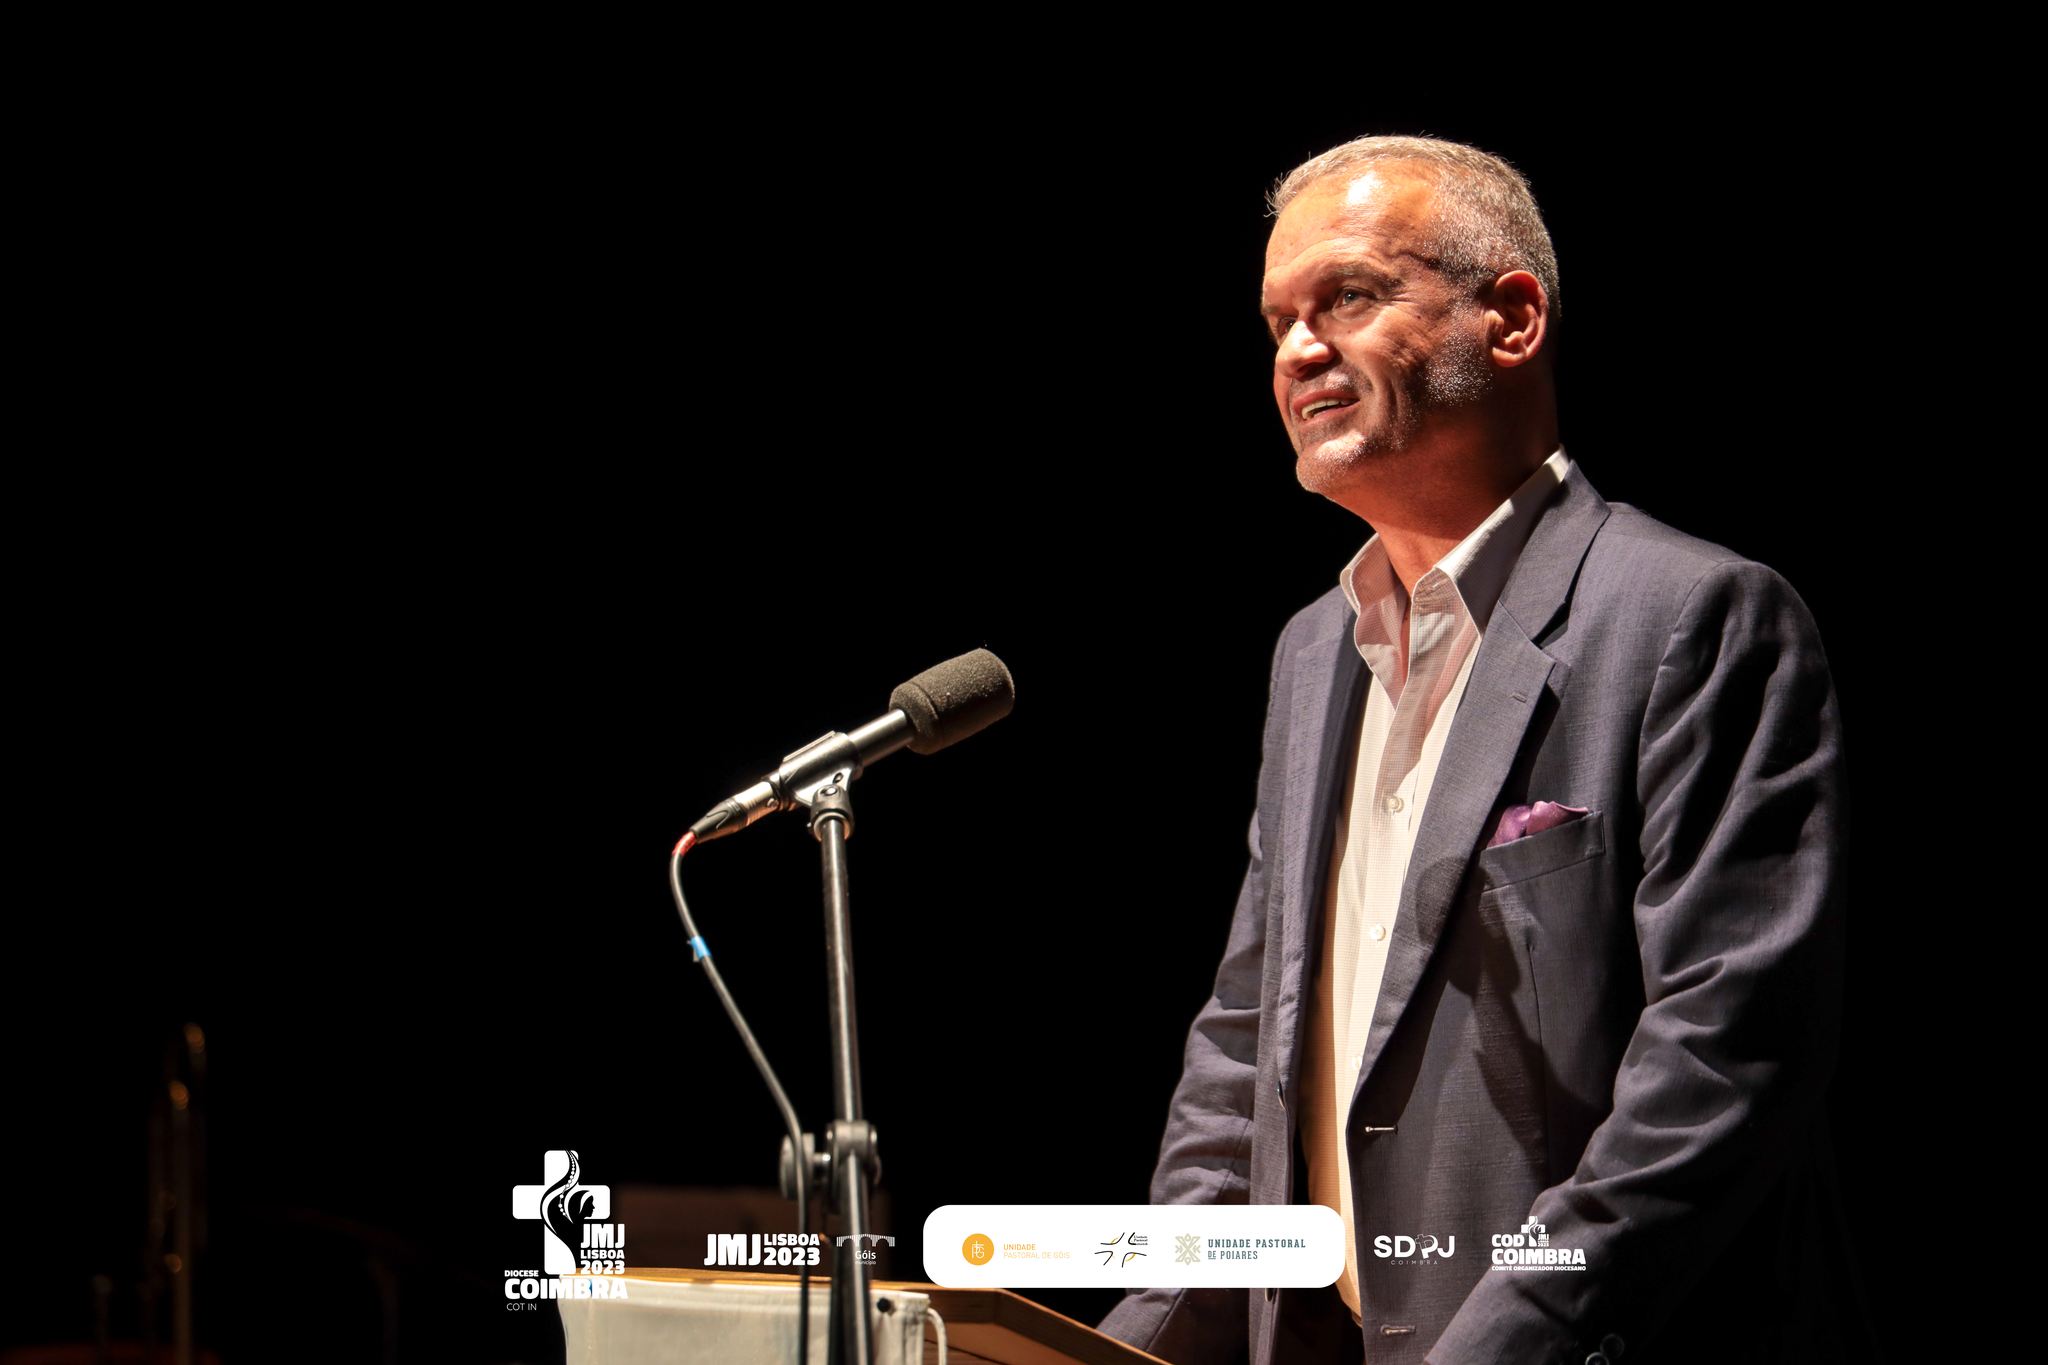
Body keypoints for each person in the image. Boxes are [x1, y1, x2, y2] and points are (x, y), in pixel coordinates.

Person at [1094, 135, 1871, 1365]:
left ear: (1510, 319)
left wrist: (1507, 1341)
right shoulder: (1312, 652)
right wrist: (1140, 1339)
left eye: (1347, 296)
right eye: (1278, 320)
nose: (1297, 350)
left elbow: (1722, 1067)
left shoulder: (1693, 617)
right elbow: (1249, 1044)